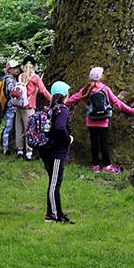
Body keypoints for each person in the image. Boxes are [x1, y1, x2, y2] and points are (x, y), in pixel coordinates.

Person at [65, 66, 134, 172]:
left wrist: (60, 103)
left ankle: (95, 166)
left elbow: (74, 98)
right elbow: (117, 102)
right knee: (103, 143)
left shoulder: (86, 89)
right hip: (103, 121)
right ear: (100, 77)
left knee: (94, 143)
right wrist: (131, 110)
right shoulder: (105, 89)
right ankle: (107, 165)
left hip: (91, 120)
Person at [41, 81, 75, 224]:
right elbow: (60, 127)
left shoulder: (47, 107)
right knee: (55, 183)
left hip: (47, 149)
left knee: (53, 181)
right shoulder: (62, 110)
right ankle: (55, 215)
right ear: (65, 95)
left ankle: (51, 212)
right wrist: (68, 139)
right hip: (57, 151)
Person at [15, 57, 51, 160]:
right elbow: (43, 90)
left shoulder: (20, 76)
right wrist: (52, 100)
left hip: (19, 105)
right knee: (29, 129)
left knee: (19, 129)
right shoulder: (35, 77)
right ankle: (29, 152)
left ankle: (20, 150)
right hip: (29, 107)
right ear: (34, 66)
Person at [0, 60, 23, 155]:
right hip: (11, 106)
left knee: (11, 127)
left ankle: (8, 146)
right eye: (14, 68)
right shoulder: (10, 79)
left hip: (13, 106)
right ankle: (5, 148)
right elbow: (13, 92)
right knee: (8, 127)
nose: (17, 69)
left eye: (17, 67)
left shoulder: (12, 78)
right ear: (9, 69)